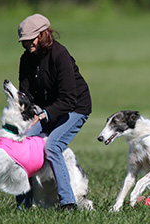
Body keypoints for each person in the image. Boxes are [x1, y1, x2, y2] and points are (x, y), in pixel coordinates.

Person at [16, 14, 92, 210]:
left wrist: (42, 115)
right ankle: (23, 204)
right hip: (46, 110)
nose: (27, 45)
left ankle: (68, 203)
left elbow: (68, 99)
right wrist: (27, 117)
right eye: (23, 42)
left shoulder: (60, 55)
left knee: (52, 146)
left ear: (43, 35)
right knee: (21, 146)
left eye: (30, 40)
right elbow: (24, 95)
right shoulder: (26, 59)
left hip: (74, 108)